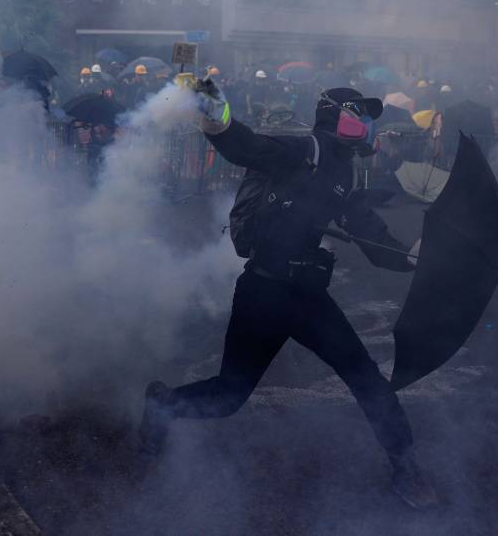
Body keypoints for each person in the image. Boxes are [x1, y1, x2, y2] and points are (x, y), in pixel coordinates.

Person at [137, 83, 438, 509]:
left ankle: (406, 469)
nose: (370, 124)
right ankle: (163, 404)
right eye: (362, 112)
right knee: (228, 396)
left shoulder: (344, 171)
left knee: (366, 379)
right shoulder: (304, 149)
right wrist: (218, 119)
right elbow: (248, 148)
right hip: (263, 291)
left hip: (308, 297)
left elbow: (371, 235)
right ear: (336, 113)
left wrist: (412, 257)